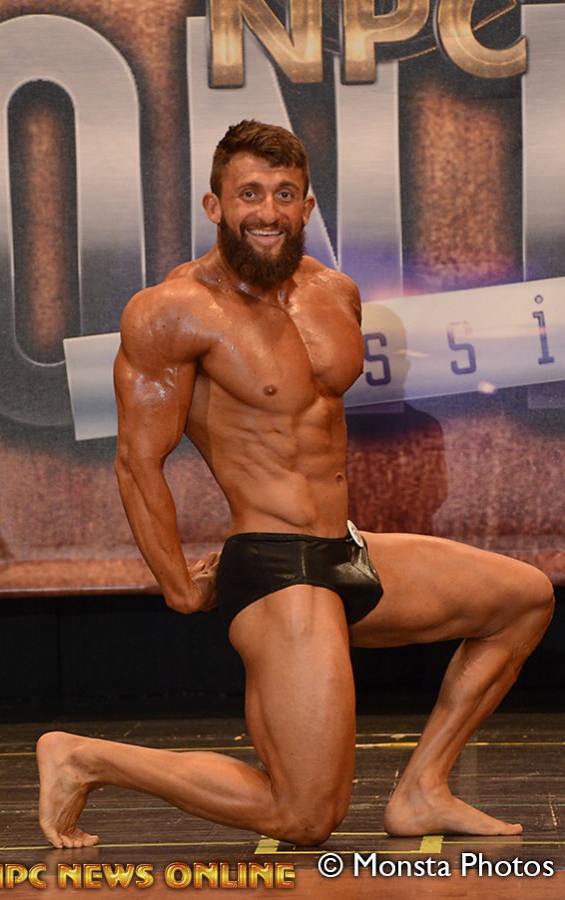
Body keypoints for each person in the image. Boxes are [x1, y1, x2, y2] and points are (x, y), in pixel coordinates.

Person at [37, 120, 554, 850]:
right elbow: (137, 462)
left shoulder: (334, 292)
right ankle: (85, 757)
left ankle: (423, 789)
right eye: (249, 193)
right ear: (216, 206)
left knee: (524, 599)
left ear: (307, 206)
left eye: (284, 194)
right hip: (276, 566)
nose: (268, 211)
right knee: (305, 816)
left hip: (344, 547)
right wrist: (176, 584)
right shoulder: (173, 310)